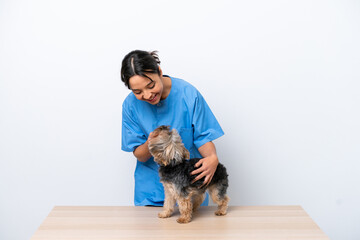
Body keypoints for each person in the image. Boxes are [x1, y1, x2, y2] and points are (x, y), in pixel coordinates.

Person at [120, 50, 224, 206]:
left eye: (151, 85)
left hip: (190, 190)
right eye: (138, 92)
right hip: (151, 194)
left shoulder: (188, 94)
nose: (147, 95)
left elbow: (203, 137)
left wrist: (212, 158)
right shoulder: (130, 106)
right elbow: (140, 155)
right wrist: (151, 142)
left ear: (160, 72)